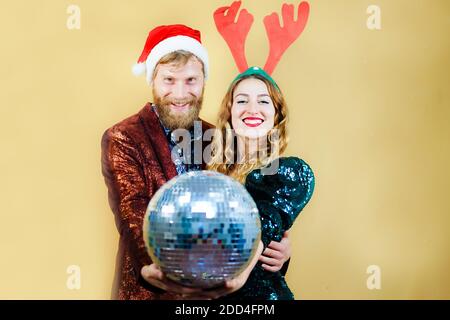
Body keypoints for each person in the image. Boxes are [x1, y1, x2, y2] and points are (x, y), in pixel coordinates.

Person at [101, 24, 291, 300]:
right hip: (153, 294)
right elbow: (133, 217)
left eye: (191, 80)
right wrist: (161, 273)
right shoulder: (123, 137)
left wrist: (278, 250)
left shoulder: (219, 137)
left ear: (203, 81)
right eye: (169, 80)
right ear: (152, 80)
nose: (180, 93)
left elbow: (246, 211)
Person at [207, 1, 315, 299]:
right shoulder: (211, 174)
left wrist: (281, 253)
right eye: (241, 100)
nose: (252, 108)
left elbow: (259, 233)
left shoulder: (288, 174)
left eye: (264, 101)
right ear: (229, 113)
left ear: (276, 116)